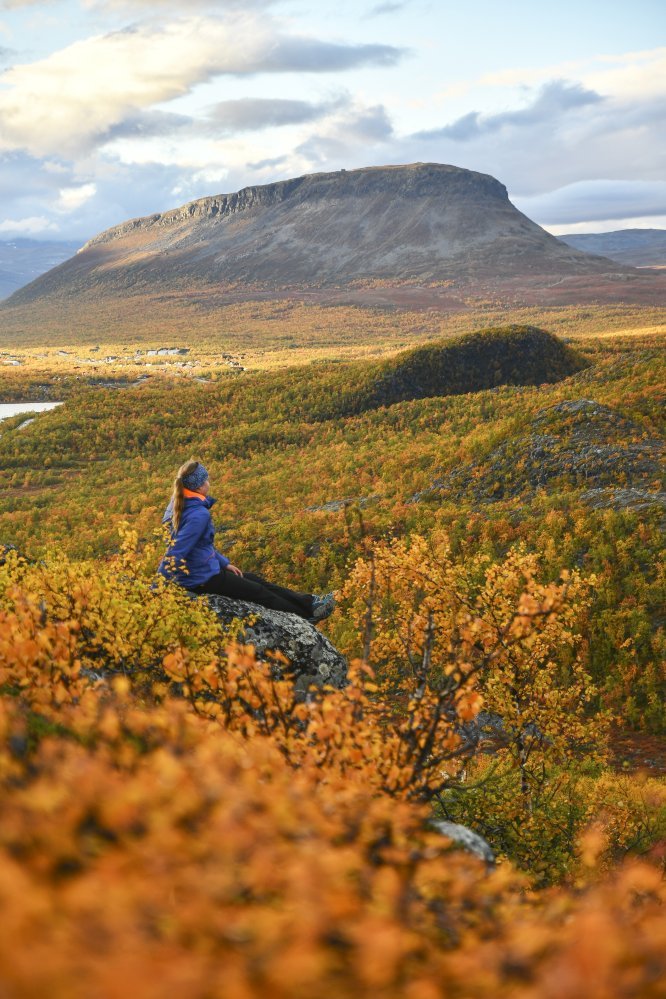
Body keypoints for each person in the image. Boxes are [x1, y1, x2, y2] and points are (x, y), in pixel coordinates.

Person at [157, 459, 335, 622]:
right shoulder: (198, 514)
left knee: (255, 580)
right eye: (206, 480)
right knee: (257, 592)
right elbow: (176, 552)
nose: (208, 483)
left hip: (200, 571)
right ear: (198, 487)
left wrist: (223, 563)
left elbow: (198, 546)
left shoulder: (178, 504)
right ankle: (305, 617)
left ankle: (310, 603)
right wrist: (157, 588)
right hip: (200, 579)